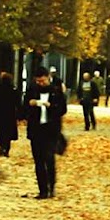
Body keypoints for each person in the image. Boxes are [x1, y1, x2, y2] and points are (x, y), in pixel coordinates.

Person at [24, 66, 66, 198]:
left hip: (51, 130)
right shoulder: (32, 90)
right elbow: (23, 108)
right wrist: (30, 104)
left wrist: (51, 106)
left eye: (43, 81)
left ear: (48, 78)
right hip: (36, 129)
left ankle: (51, 186)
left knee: (49, 158)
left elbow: (62, 109)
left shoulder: (56, 91)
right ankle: (42, 190)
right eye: (38, 81)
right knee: (38, 160)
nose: (41, 84)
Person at [0, 70, 18, 157]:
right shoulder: (13, 89)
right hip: (10, 114)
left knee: (1, 131)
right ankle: (6, 149)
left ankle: (2, 147)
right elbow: (17, 102)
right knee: (8, 133)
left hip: (1, 113)